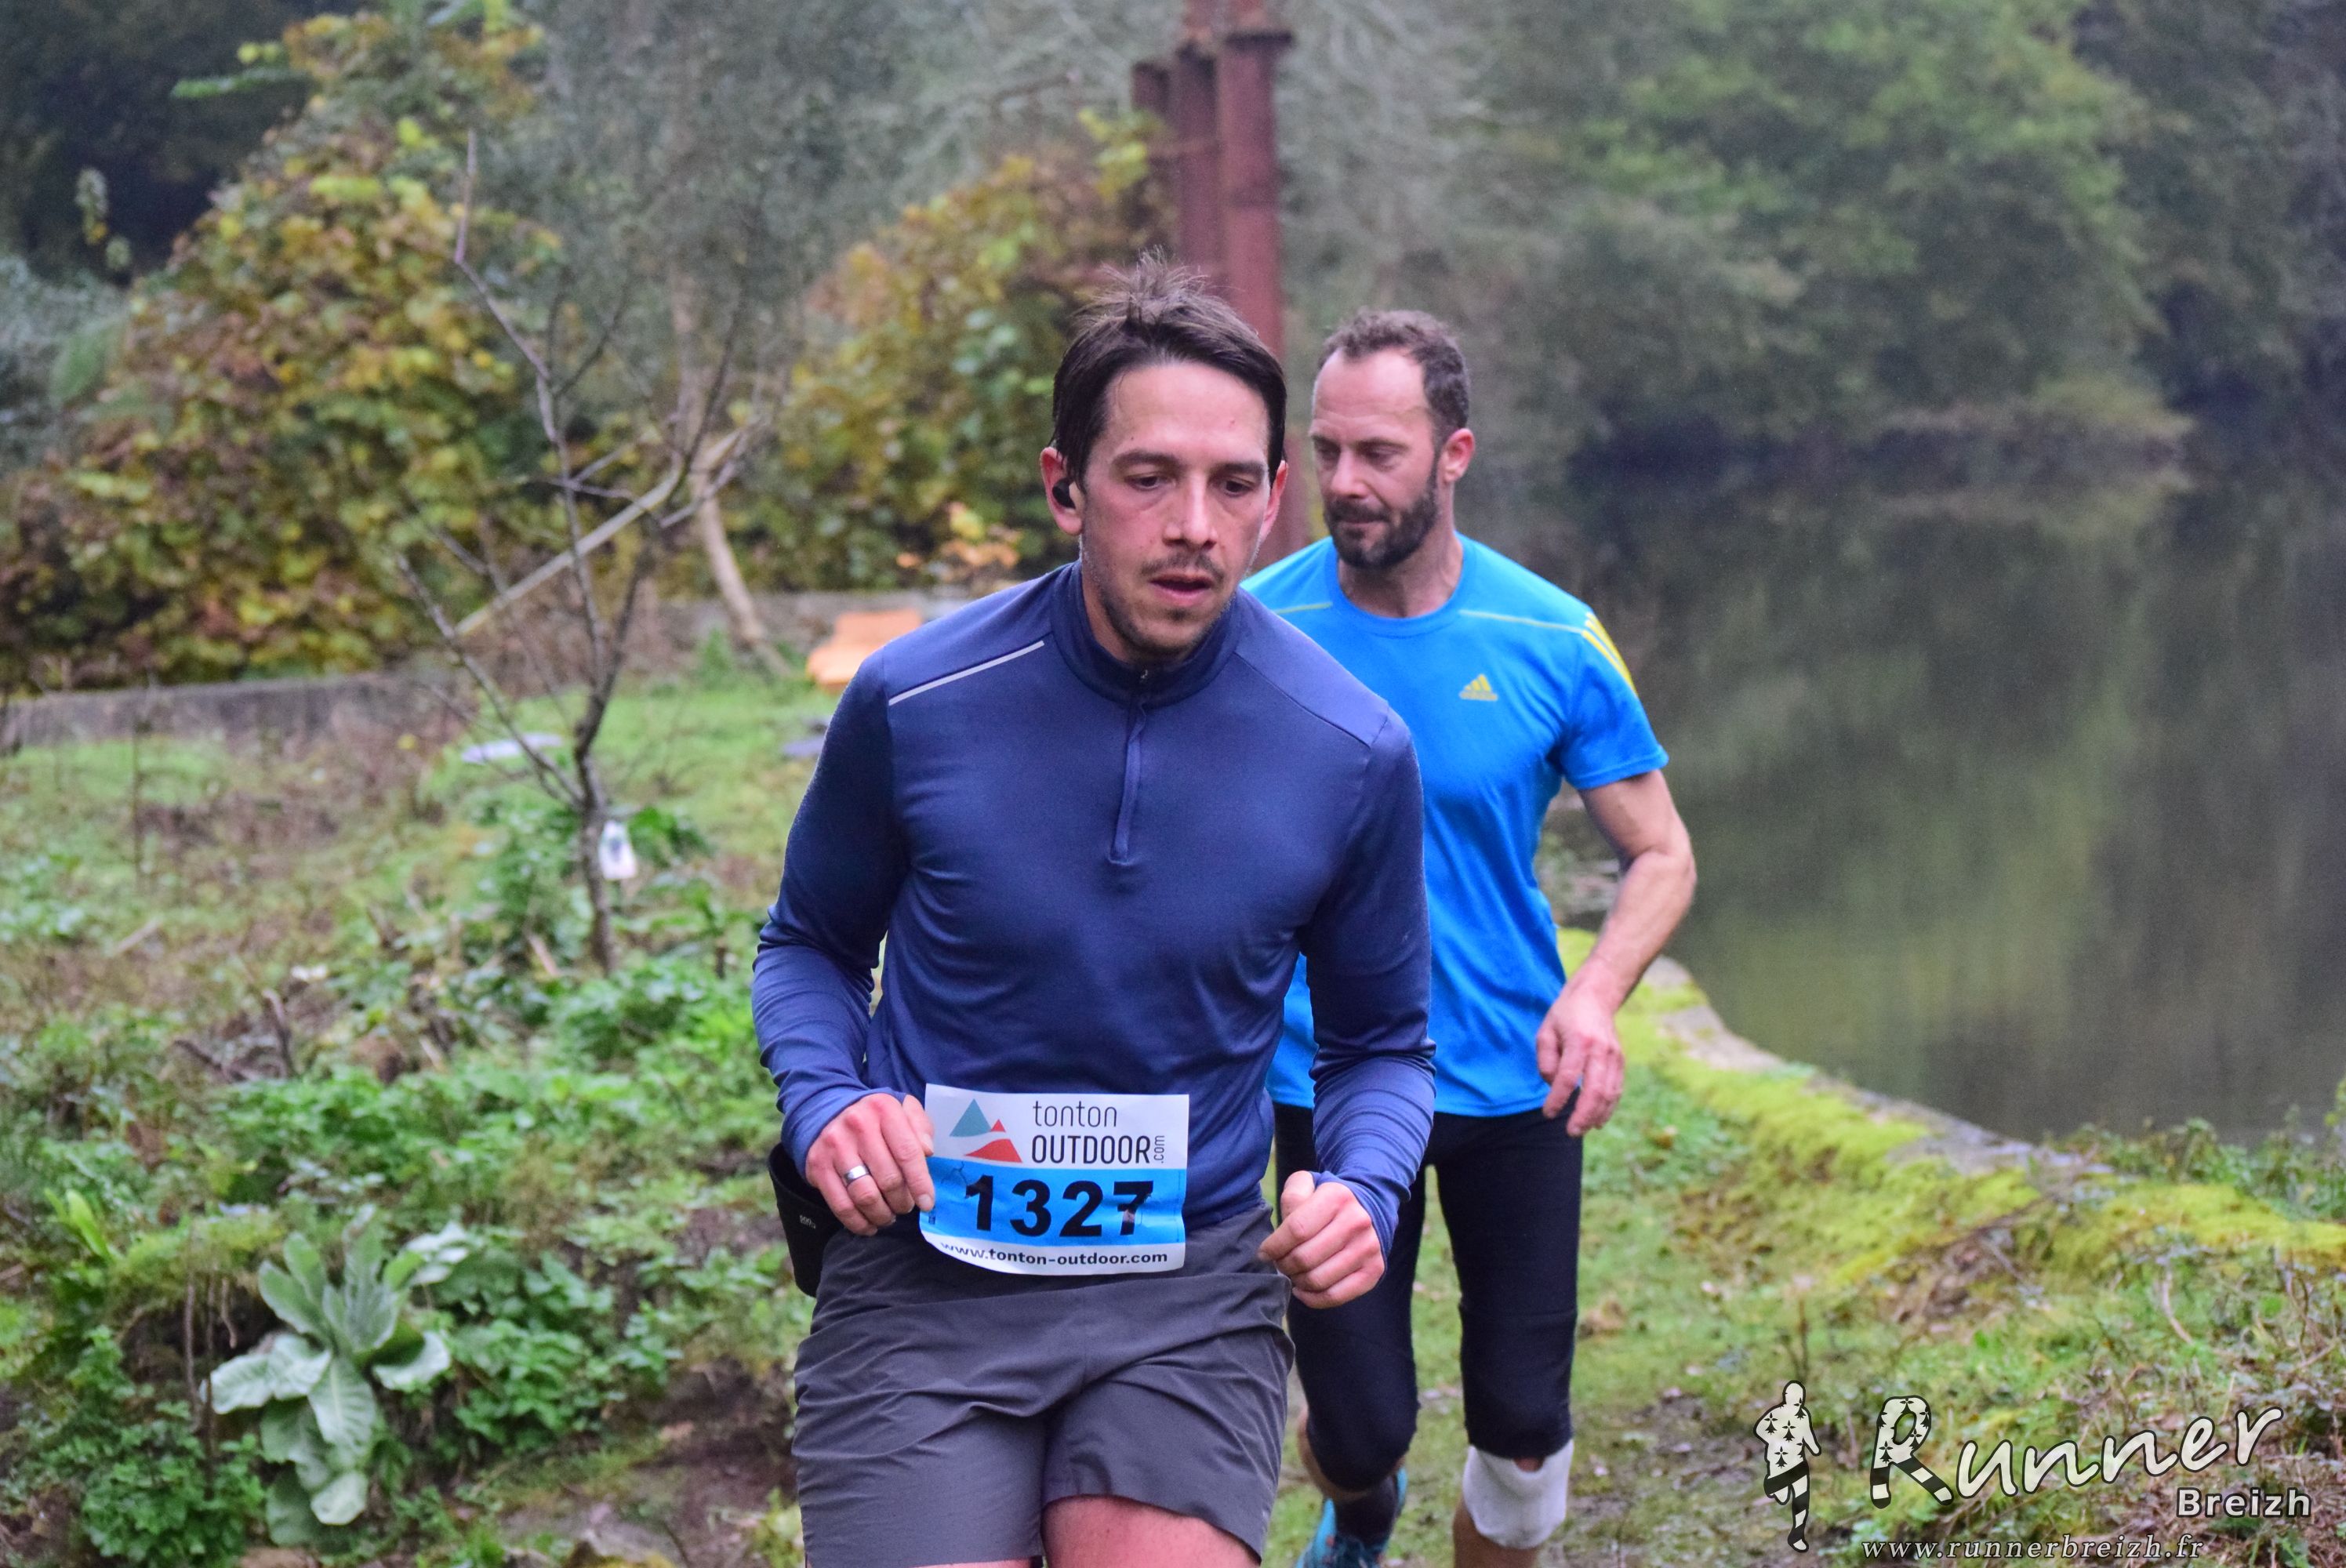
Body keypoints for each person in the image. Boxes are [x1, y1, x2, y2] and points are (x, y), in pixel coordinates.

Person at [750, 263, 1439, 1568]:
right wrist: (828, 1101)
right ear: (1065, 487)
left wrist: (1363, 1186)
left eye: (1233, 485)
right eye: (1149, 478)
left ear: (1273, 497)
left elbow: (1382, 1046)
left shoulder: (1350, 750)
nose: (1194, 526)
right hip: (926, 1275)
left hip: (1186, 1294)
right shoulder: (914, 701)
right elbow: (811, 948)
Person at [1243, 309, 1698, 1568]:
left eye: (1379, 453)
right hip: (1324, 1076)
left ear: (1455, 455)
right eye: (1326, 450)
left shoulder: (1552, 636)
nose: (1344, 481)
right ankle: (1362, 1505)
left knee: (1524, 1435)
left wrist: (1596, 994)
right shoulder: (1254, 628)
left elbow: (1662, 853)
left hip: (1512, 1076)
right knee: (1359, 1426)